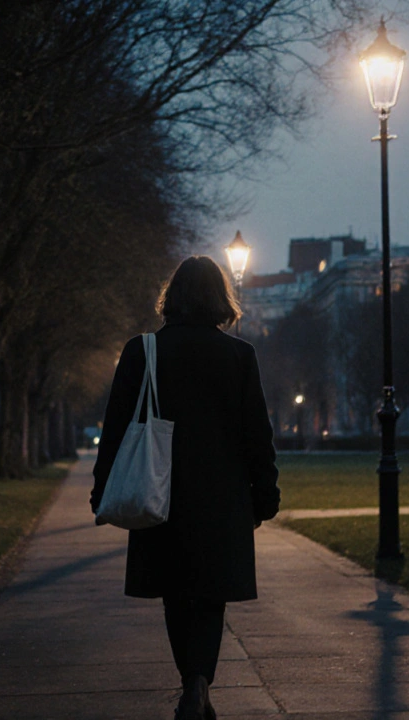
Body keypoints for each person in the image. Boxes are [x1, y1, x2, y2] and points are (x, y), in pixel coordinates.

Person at [91, 255, 280, 720]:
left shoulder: (142, 351)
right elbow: (257, 433)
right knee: (210, 594)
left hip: (161, 490)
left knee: (176, 592)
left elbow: (115, 428)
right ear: (221, 299)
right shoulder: (240, 356)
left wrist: (102, 488)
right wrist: (265, 494)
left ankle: (190, 681)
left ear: (171, 297)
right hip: (222, 497)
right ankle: (199, 681)